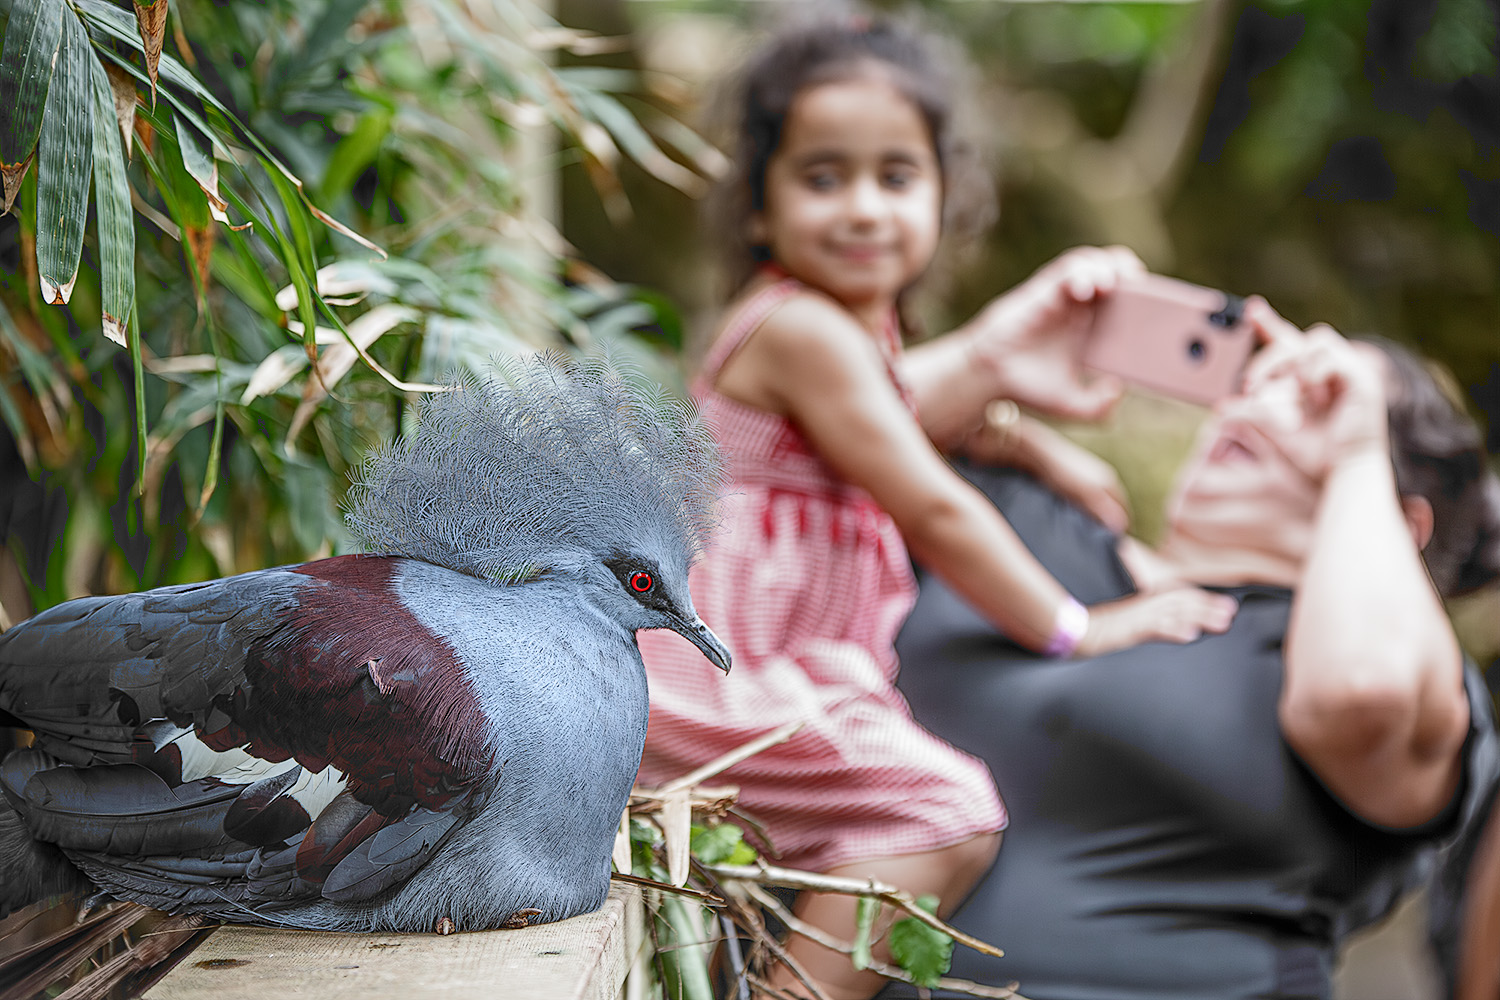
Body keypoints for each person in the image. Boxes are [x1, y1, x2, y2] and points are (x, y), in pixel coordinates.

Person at [635, 13, 1237, 1000]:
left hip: (750, 673)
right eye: (824, 177)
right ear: (758, 208)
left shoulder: (839, 332)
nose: (864, 209)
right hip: (717, 679)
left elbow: (896, 419)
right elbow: (933, 506)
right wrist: (1079, 628)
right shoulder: (804, 331)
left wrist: (1024, 437)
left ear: (944, 196)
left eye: (896, 176)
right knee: (945, 813)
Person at [891, 311, 1500, 1000]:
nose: (1254, 405)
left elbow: (1361, 689)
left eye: (1318, 403)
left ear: (1402, 521)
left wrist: (1358, 450)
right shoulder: (1018, 517)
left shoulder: (1395, 667)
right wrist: (986, 359)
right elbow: (800, 437)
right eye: (1257, 382)